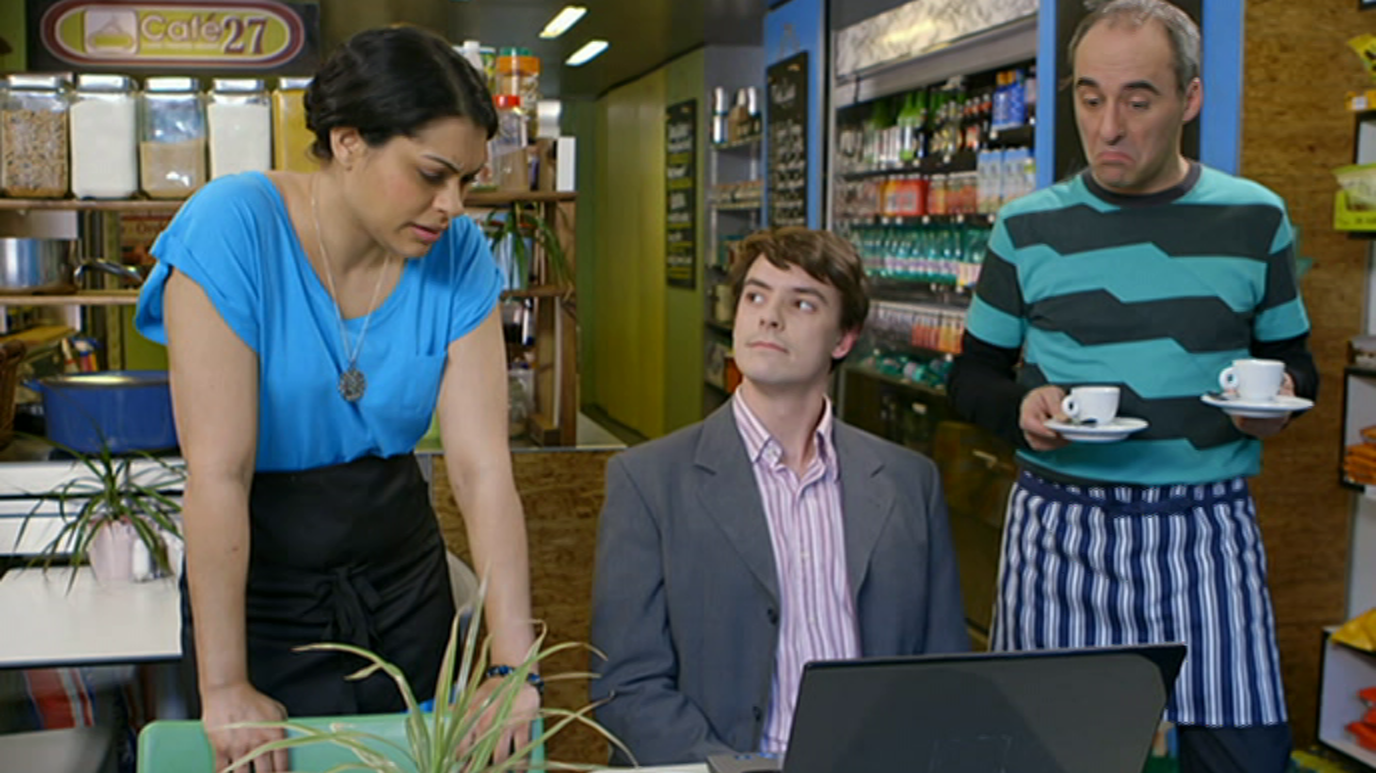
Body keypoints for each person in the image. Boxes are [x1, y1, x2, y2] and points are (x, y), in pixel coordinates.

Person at [134, 26, 538, 773]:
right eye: (431, 174)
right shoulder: (232, 228)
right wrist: (225, 685)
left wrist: (513, 668)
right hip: (260, 586)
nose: (451, 205)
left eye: (467, 181)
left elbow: (482, 471)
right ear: (349, 141)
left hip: (403, 579)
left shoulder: (457, 253)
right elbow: (219, 474)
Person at [949, 2, 1316, 772]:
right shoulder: (1024, 228)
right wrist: (1020, 408)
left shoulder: (1257, 218)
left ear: (1190, 98)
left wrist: (1276, 403)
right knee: (1042, 756)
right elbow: (971, 377)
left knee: (1245, 757)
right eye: (1090, 98)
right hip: (1060, 531)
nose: (1108, 126)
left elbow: (1295, 361)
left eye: (1137, 100)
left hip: (1206, 534)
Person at [589, 227, 968, 766]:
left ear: (843, 339)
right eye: (755, 296)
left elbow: (945, 673)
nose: (769, 317)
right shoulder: (649, 481)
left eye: (802, 303)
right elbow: (627, 687)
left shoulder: (909, 483)